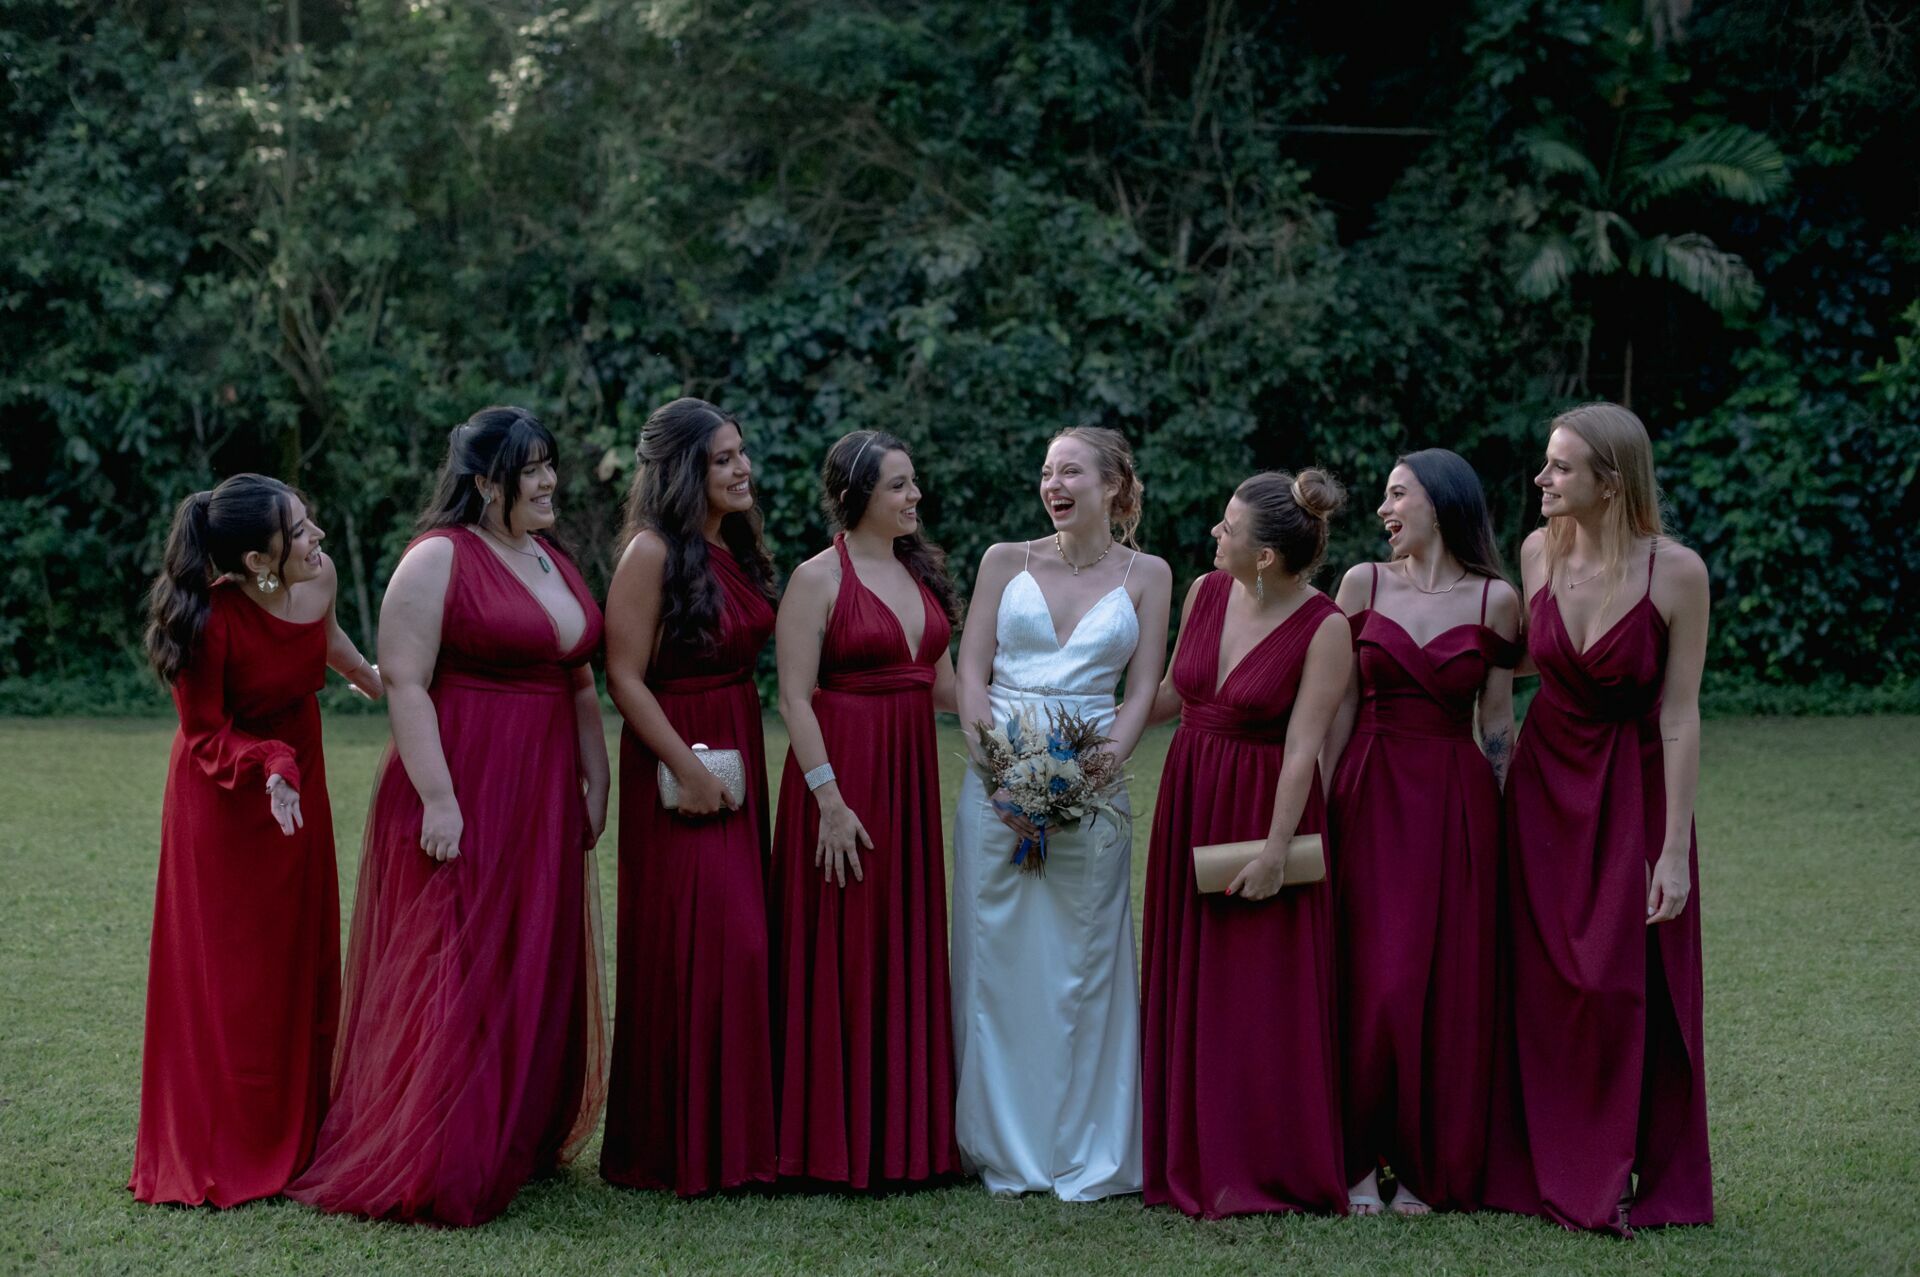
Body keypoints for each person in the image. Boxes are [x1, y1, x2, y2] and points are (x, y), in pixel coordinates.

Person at [288, 407, 609, 1226]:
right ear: (484, 481)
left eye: (549, 466)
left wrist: (594, 771)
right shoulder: (437, 558)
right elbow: (404, 681)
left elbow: (577, 676)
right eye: (530, 470)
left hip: (540, 787)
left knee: (528, 947)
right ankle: (436, 1145)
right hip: (464, 777)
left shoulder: (547, 556)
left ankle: (512, 1129)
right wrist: (438, 797)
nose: (548, 483)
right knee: (457, 957)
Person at [1484, 401, 1713, 1234]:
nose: (1542, 480)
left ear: (1609, 482)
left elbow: (1682, 715)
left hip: (1635, 789)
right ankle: (1549, 1160)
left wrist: (1674, 850)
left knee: (1620, 982)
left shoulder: (1677, 571)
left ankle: (1621, 1168)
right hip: (1543, 789)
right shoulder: (1536, 552)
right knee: (1545, 979)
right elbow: (1502, 672)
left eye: (1560, 467)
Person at [131, 474, 379, 1207]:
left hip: (299, 784)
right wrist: (271, 764)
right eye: (298, 530)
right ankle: (227, 1142)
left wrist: (377, 678)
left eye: (309, 521)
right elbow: (205, 732)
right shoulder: (211, 619)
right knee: (233, 975)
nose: (317, 538)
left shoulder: (321, 576)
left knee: (298, 957)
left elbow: (326, 638)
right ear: (257, 555)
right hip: (228, 801)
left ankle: (302, 1133)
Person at [949, 426, 1171, 1200]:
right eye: (1046, 470)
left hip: (1094, 780)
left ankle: (1083, 1142)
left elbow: (1143, 689)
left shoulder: (1149, 574)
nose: (1054, 482)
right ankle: (1001, 1140)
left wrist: (1090, 773)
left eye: (1071, 469)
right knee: (1000, 962)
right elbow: (969, 670)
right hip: (995, 780)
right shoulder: (1004, 560)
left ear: (1114, 485)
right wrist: (1000, 774)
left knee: (1083, 965)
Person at [1140, 469, 1352, 1218]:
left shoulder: (1325, 626)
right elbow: (1173, 693)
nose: (1214, 535)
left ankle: (1262, 1160)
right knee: (1188, 975)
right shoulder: (1204, 591)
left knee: (1258, 992)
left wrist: (1274, 848)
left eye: (1228, 528)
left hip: (1264, 807)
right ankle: (1184, 1149)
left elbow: (1304, 747)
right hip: (1190, 791)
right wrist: (1102, 732)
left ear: (1266, 556)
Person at [1322, 449, 1520, 1215]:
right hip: (1369, 790)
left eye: (1396, 494)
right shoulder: (1362, 583)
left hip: (1454, 803)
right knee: (1372, 981)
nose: (1383, 508)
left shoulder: (1496, 600)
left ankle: (1428, 1162)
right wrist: (1320, 799)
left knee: (1443, 986)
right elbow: (1336, 703)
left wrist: (1496, 827)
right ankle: (1357, 1162)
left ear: (1440, 502)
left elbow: (1496, 721)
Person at [768, 429, 962, 1188]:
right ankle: (827, 1142)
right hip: (841, 776)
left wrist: (1024, 734)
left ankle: (904, 1138)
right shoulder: (816, 578)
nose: (915, 496)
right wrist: (830, 801)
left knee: (901, 937)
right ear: (855, 497)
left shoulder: (922, 573)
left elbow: (944, 687)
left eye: (913, 483)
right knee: (843, 946)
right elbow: (792, 696)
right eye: (898, 486)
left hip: (909, 774)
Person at [600, 398, 781, 1196]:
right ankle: (679, 1147)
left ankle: (742, 1142)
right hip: (678, 755)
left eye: (742, 454)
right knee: (709, 944)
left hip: (737, 737)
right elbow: (624, 678)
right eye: (723, 459)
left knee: (743, 945)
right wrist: (691, 768)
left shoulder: (732, 544)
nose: (742, 469)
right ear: (684, 470)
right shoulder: (649, 552)